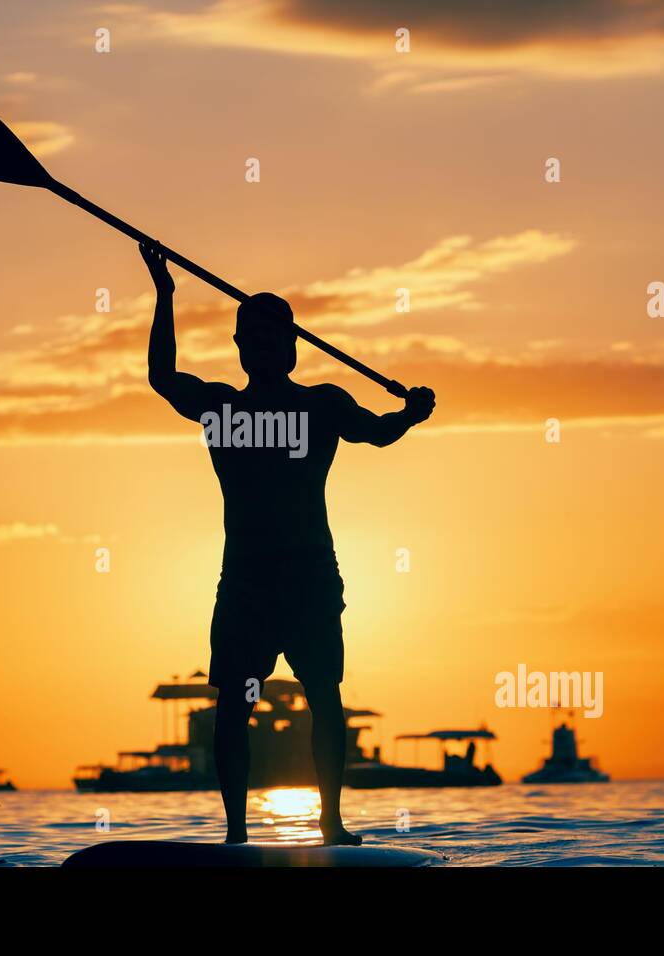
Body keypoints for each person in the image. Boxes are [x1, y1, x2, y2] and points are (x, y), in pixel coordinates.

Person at [141, 242, 435, 845]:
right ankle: (236, 833)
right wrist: (165, 294)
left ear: (294, 347)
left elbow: (378, 434)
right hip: (245, 580)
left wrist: (411, 414)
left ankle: (331, 822)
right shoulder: (222, 408)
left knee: (325, 695)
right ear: (242, 348)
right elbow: (163, 378)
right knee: (232, 705)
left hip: (308, 577)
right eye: (258, 338)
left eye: (280, 337)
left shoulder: (322, 404)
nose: (271, 348)